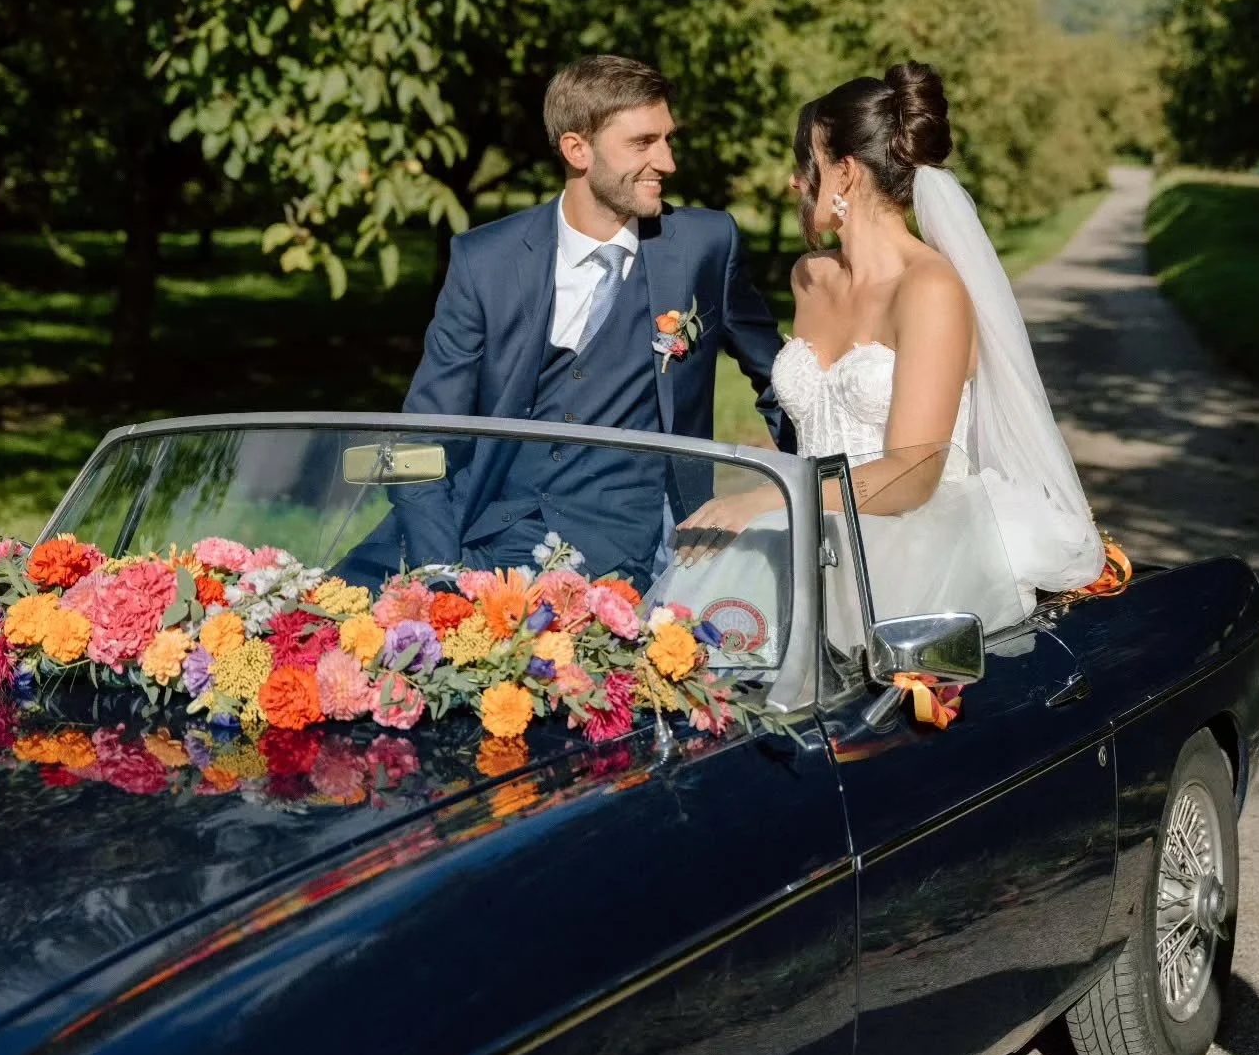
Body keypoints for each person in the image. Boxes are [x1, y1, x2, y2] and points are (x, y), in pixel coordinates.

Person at [670, 61, 1105, 635]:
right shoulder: (810, 278)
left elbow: (914, 472)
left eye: (808, 166)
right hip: (807, 534)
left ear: (845, 174)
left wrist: (767, 503)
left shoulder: (930, 288)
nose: (794, 184)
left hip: (910, 550)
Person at [378, 55, 792, 592]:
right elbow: (422, 436)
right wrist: (437, 578)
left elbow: (782, 386)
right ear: (577, 149)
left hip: (617, 554)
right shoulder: (486, 260)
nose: (666, 162)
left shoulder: (703, 248)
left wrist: (827, 491)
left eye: (667, 140)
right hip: (474, 529)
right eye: (643, 143)